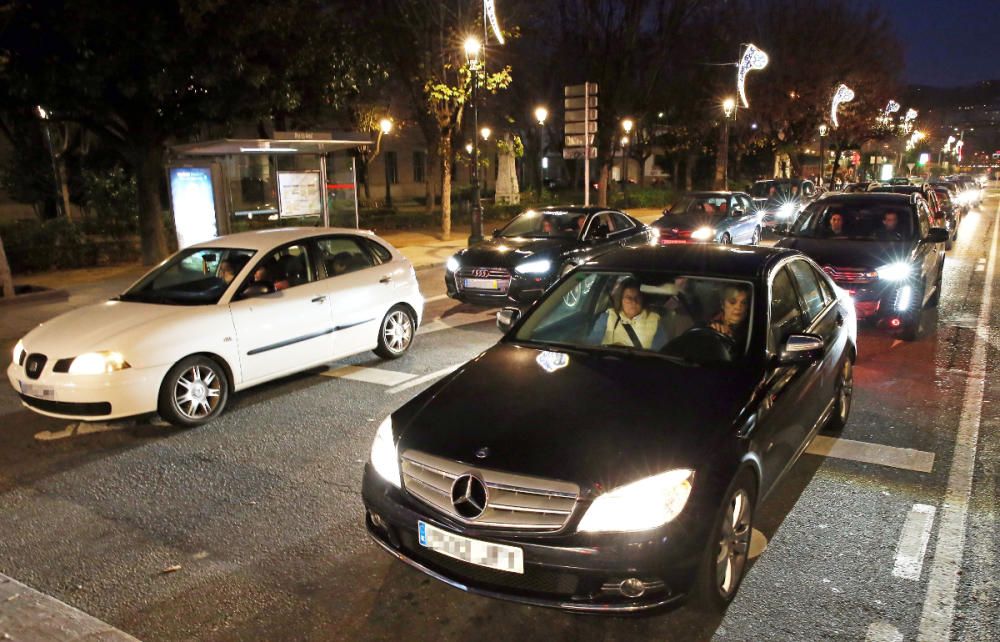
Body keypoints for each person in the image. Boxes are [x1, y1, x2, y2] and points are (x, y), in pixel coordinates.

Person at [589, 278, 666, 350]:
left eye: (637, 297)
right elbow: (592, 344)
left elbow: (659, 354)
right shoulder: (607, 317)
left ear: (642, 299)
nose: (634, 302)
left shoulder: (655, 321)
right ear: (620, 300)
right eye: (629, 298)